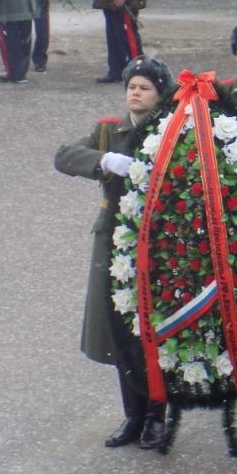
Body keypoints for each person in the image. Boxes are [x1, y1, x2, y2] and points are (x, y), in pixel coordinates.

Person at [54, 55, 174, 450]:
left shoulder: (172, 132)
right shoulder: (109, 132)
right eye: (131, 87)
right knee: (121, 331)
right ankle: (133, 416)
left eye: (144, 88)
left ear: (159, 96)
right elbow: (64, 156)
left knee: (152, 331)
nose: (135, 94)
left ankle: (157, 415)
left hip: (155, 240)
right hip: (113, 239)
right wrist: (102, 159)